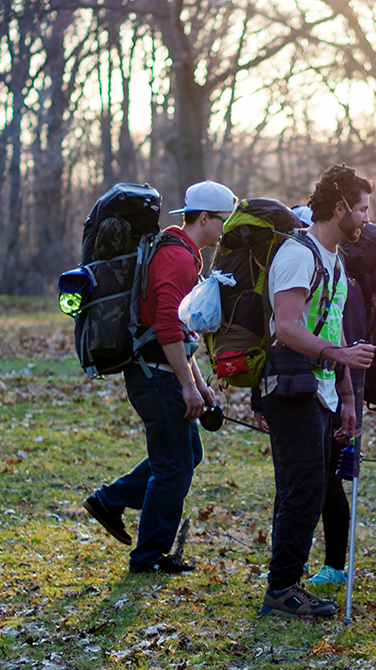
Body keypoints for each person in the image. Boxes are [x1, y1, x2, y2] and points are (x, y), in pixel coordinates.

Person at [83, 180, 237, 573]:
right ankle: (148, 556)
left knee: (187, 456)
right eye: (223, 221)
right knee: (173, 469)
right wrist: (187, 386)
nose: (226, 229)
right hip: (157, 377)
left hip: (162, 372)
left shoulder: (180, 252)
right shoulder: (178, 259)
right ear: (204, 218)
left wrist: (201, 386)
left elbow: (183, 334)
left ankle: (110, 500)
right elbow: (168, 327)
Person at [254, 165, 376, 617]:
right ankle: (283, 589)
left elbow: (332, 326)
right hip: (289, 386)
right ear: (340, 207)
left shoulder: (336, 261)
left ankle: (286, 583)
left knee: (309, 488)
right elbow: (285, 327)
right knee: (301, 490)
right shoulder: (297, 254)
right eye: (361, 209)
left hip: (321, 390)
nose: (365, 218)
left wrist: (345, 396)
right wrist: (340, 357)